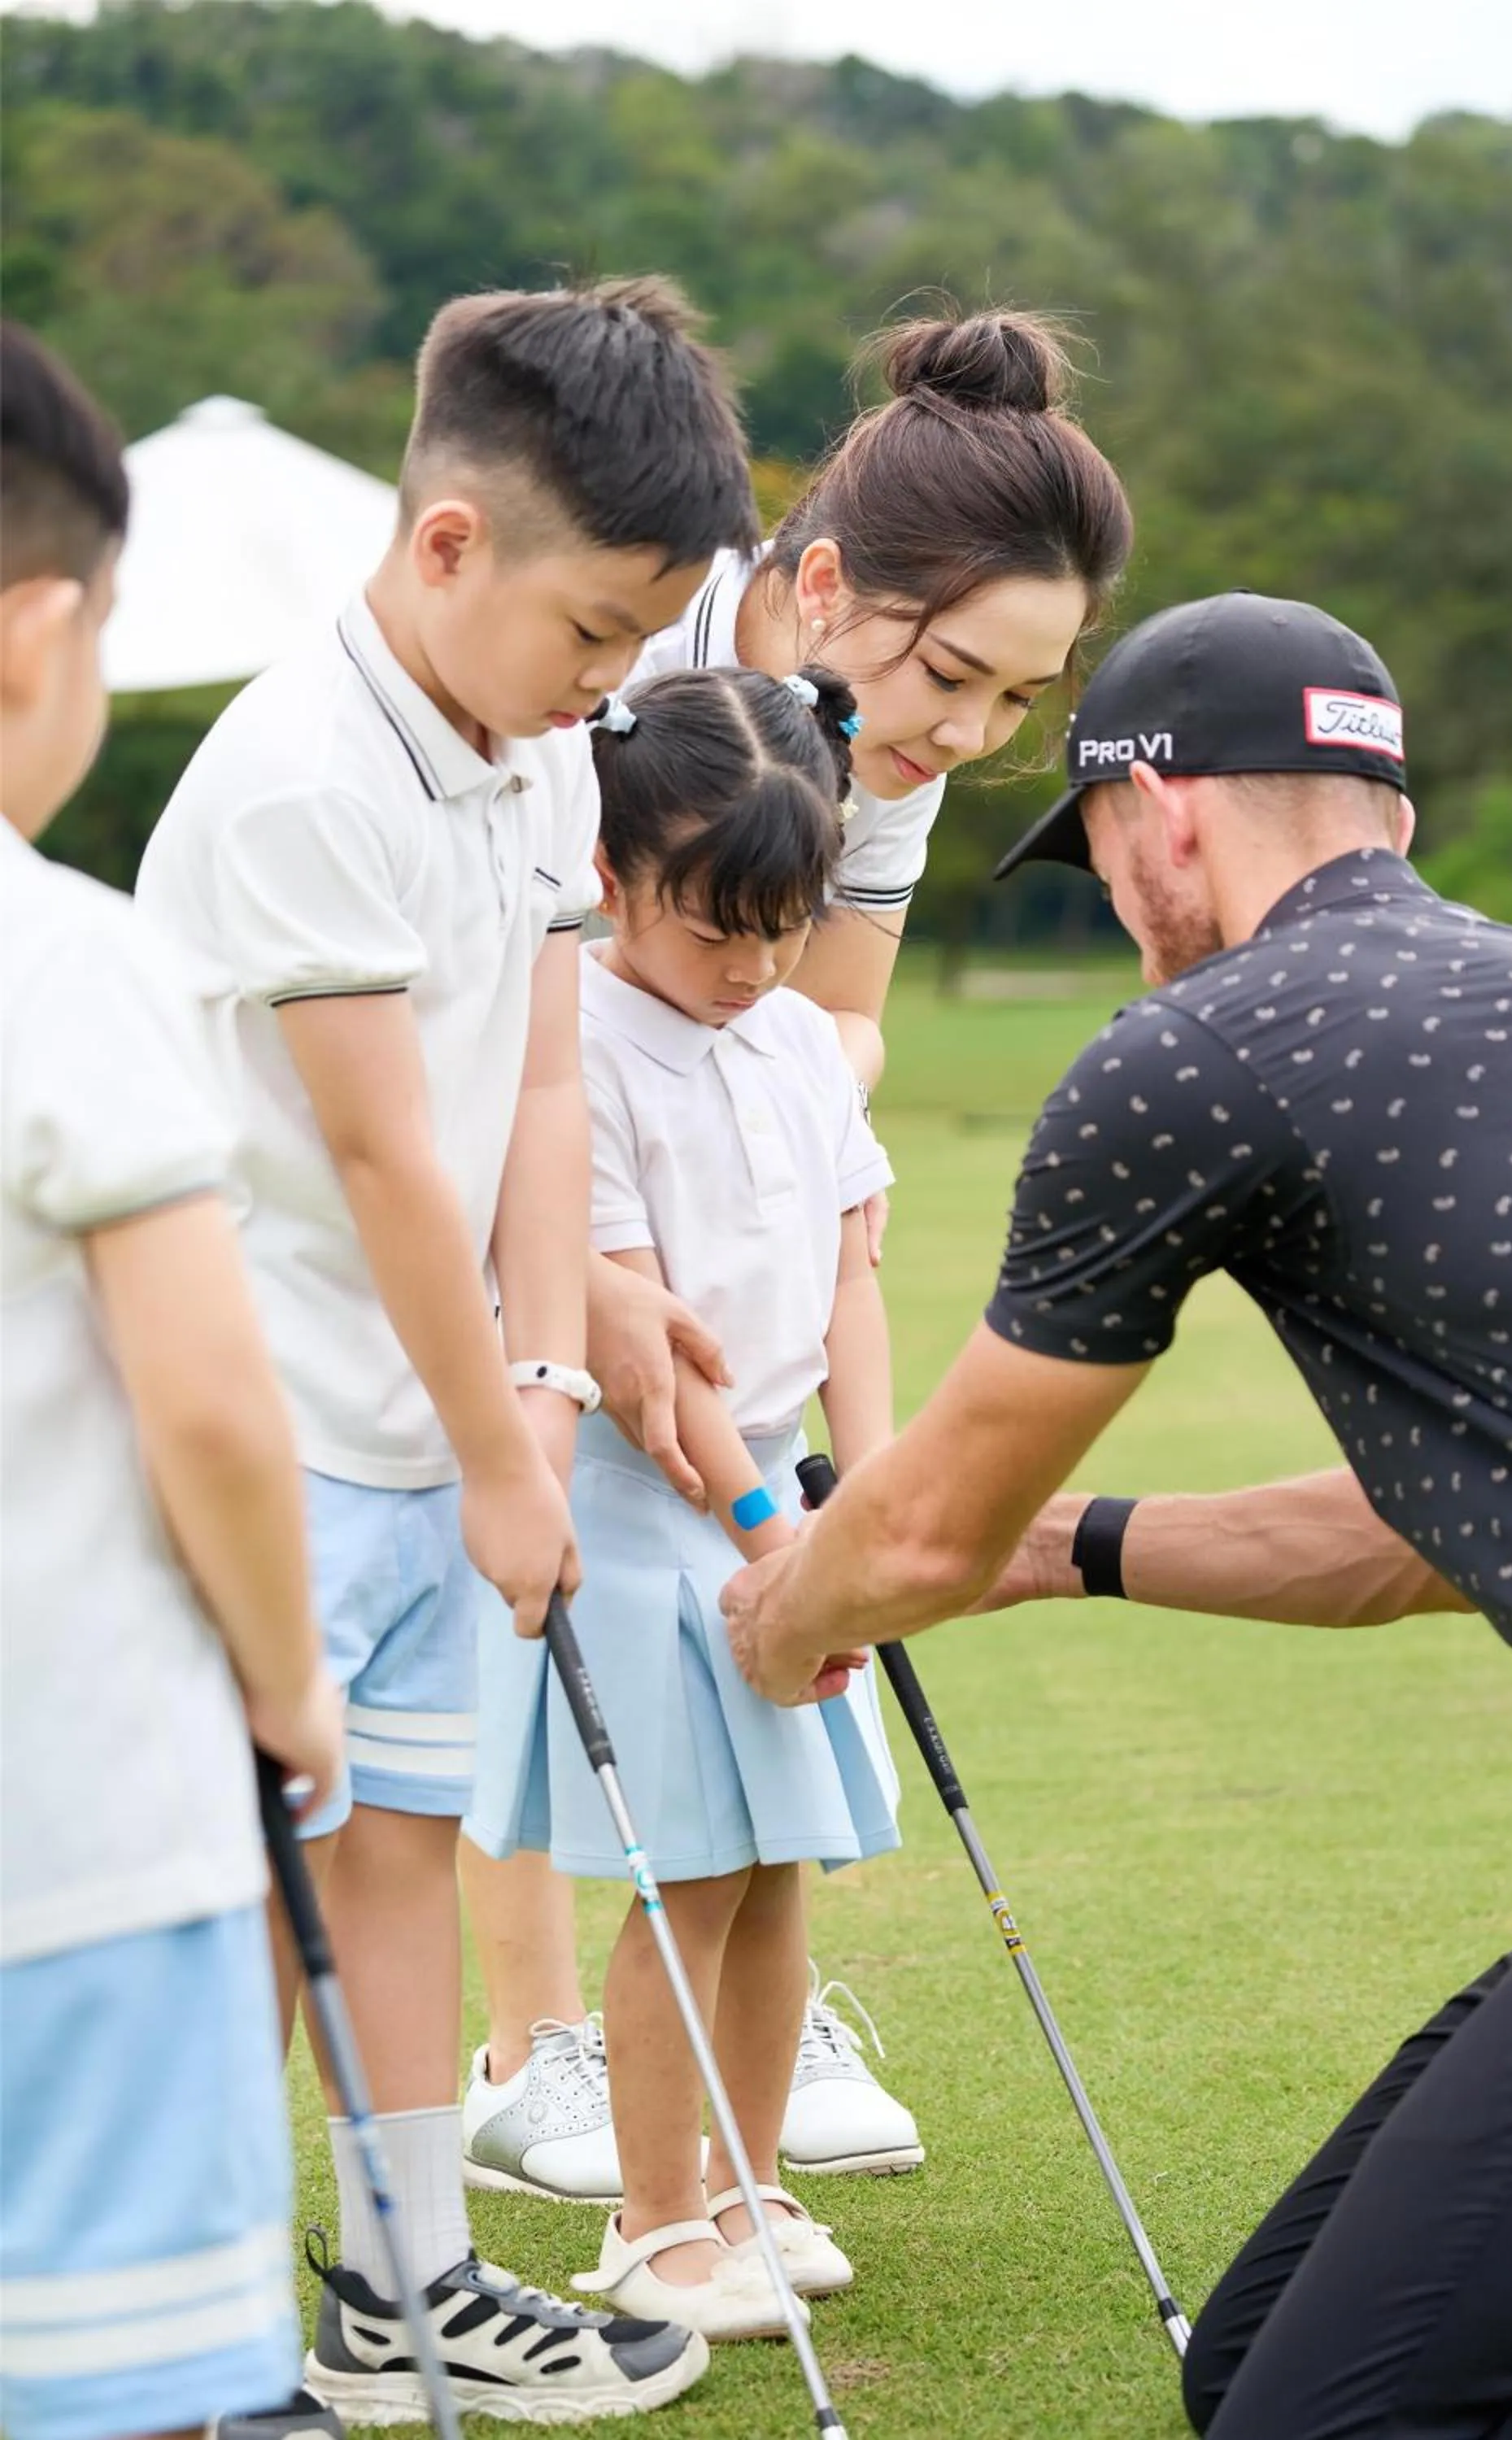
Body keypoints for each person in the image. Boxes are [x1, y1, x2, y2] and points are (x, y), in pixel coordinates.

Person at [722, 590, 1512, 2440]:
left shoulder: (1194, 1056)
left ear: (1162, 814)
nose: (1122, 907)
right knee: (1250, 2361)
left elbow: (914, 1535)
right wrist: (1069, 1549)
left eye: (1100, 852)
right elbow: (1421, 1542)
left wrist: (786, 1616)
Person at [136, 278, 760, 2425]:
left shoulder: (544, 742)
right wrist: (507, 1446)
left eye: (637, 643)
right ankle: (187, 2343)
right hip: (256, 1426)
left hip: (426, 1421)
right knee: (245, 1897)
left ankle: (402, 2289)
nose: (609, 680)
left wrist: (550, 1377)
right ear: (448, 543)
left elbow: (544, 1087)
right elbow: (387, 1154)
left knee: (397, 1853)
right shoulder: (304, 775)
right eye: (593, 629)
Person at [461, 303, 1135, 2198]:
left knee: (717, 1593)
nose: (966, 738)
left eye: (1020, 700)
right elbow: (492, 986)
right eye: (952, 674)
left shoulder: (881, 768)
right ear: (821, 584)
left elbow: (837, 1017)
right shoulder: (622, 641)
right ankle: (537, 2048)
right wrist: (578, 1253)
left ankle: (742, 2011)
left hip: (682, 1175)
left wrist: (806, 1152)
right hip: (473, 1138)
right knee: (536, 1571)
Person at [465, 663, 900, 2339]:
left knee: (781, 1867)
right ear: (613, 874)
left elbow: (851, 1281)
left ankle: (744, 2180)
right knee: (693, 1881)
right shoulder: (572, 1048)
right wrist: (777, 1540)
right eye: (718, 926)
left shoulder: (799, 1040)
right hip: (656, 1505)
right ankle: (652, 2225)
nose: (754, 965)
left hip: (781, 1499)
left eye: (785, 929)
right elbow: (650, 1361)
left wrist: (866, 1506)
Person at [0, 323, 343, 2440]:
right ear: (39, 637)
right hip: (80, 1850)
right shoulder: (70, 956)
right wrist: (292, 1681)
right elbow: (210, 1400)